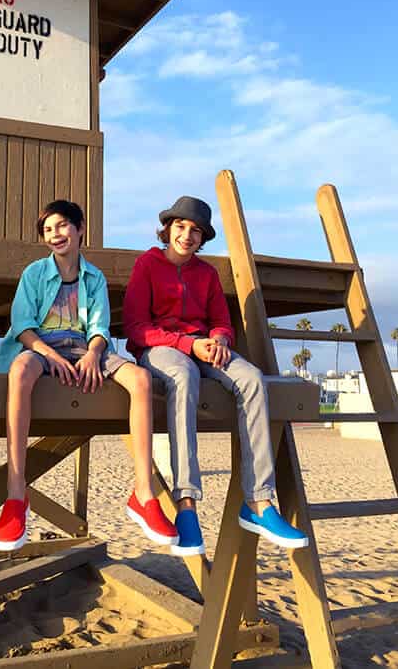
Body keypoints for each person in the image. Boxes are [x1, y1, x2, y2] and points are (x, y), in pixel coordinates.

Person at [123, 196, 309, 555]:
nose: (187, 235)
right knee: (182, 374)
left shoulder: (206, 273)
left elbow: (221, 321)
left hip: (205, 347)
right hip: (161, 349)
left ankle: (258, 503)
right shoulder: (146, 264)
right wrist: (188, 346)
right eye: (180, 227)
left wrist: (220, 339)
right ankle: (186, 506)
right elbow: (136, 329)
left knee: (254, 379)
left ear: (202, 238)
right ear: (168, 229)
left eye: (195, 231)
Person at [0, 199, 177, 552]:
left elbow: (100, 325)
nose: (55, 234)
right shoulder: (33, 274)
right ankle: (16, 494)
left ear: (79, 229)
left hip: (84, 347)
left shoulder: (94, 277)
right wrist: (49, 356)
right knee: (20, 370)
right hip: (43, 348)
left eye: (61, 226)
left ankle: (143, 493)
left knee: (139, 380)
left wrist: (93, 354)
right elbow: (23, 327)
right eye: (47, 230)